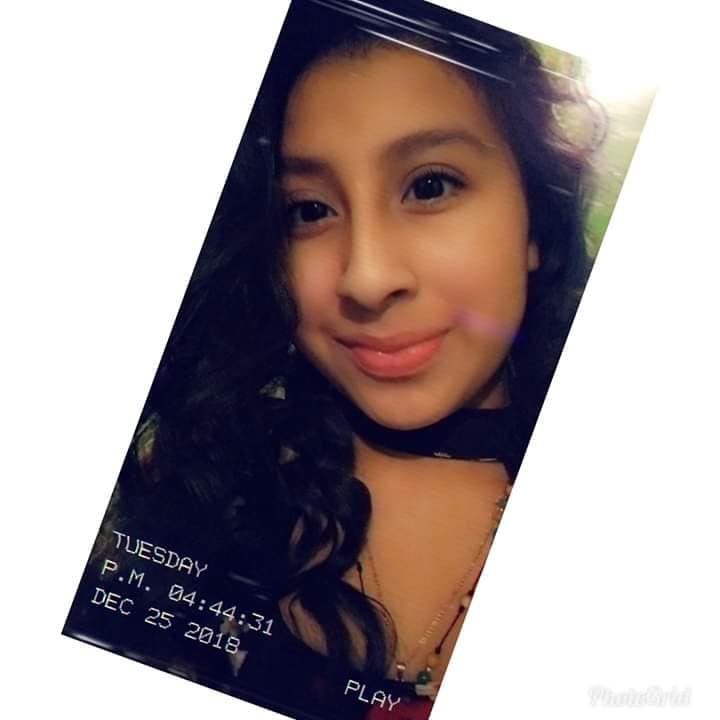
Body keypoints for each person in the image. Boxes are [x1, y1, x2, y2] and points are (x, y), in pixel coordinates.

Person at [64, 1, 601, 718]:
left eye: (430, 185)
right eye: (309, 210)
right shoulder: (208, 472)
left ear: (535, 221)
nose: (366, 278)